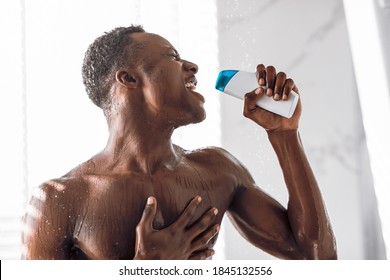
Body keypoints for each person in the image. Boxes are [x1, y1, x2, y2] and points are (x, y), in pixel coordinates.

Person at [22, 25, 337, 260]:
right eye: (173, 57)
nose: (192, 67)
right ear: (128, 79)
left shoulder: (219, 170)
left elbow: (316, 258)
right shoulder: (59, 200)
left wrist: (284, 135)